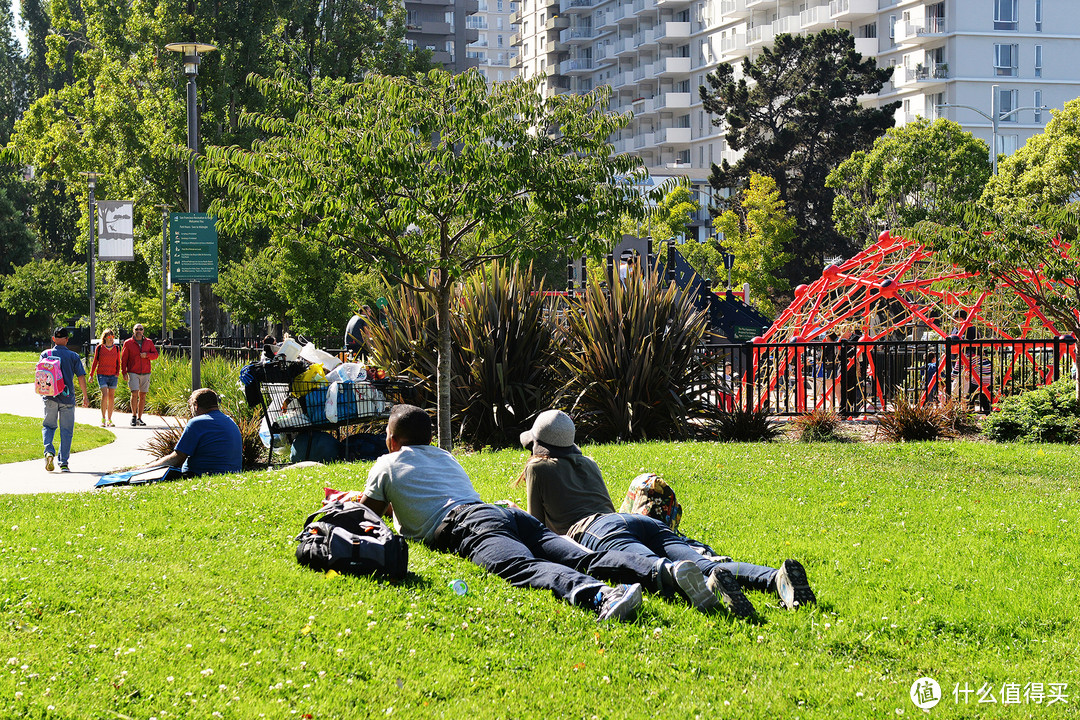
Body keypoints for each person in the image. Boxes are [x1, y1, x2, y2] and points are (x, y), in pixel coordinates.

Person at [357, 404, 686, 623]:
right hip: (502, 516)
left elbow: (366, 516)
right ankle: (660, 571)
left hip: (467, 526)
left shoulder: (387, 463)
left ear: (392, 440)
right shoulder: (445, 456)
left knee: (524, 567)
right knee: (579, 557)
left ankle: (601, 595)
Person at [517, 409, 817, 616]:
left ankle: (711, 587)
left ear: (537, 444)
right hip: (637, 521)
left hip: (595, 529)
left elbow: (538, 528)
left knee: (650, 565)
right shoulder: (589, 463)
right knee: (699, 561)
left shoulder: (538, 467)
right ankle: (774, 579)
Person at [141, 388, 243, 479]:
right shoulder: (230, 421)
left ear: (196, 405)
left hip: (200, 475)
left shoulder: (197, 422)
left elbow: (177, 459)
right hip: (231, 475)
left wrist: (143, 469)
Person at [40, 327, 90, 472]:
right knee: (66, 431)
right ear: (67, 339)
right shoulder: (73, 356)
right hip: (67, 398)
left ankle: (49, 451)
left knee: (49, 426)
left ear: (53, 339)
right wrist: (85, 397)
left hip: (49, 397)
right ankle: (63, 463)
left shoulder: (45, 354)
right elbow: (81, 376)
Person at [121, 323, 158, 426]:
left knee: (143, 395)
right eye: (137, 329)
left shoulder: (149, 342)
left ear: (143, 331)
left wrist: (147, 355)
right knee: (134, 393)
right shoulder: (128, 343)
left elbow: (155, 355)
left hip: (146, 372)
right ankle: (133, 416)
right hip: (133, 371)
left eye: (140, 329)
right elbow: (124, 359)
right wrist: (124, 372)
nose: (139, 331)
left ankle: (140, 418)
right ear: (133, 330)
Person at [89, 328, 121, 427]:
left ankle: (109, 419)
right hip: (102, 374)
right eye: (109, 337)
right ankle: (103, 419)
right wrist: (91, 375)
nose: (111, 339)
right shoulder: (99, 348)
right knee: (105, 395)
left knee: (111, 397)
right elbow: (95, 362)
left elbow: (118, 361)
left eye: (113, 337)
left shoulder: (116, 348)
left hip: (113, 375)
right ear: (105, 338)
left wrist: (117, 373)